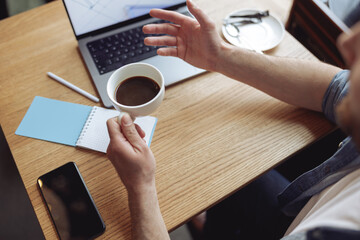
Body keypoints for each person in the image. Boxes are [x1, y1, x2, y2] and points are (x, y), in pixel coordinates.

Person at [106, 0, 360, 239]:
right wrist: (219, 56)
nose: (347, 42)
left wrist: (141, 187)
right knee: (230, 179)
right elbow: (334, 88)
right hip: (302, 205)